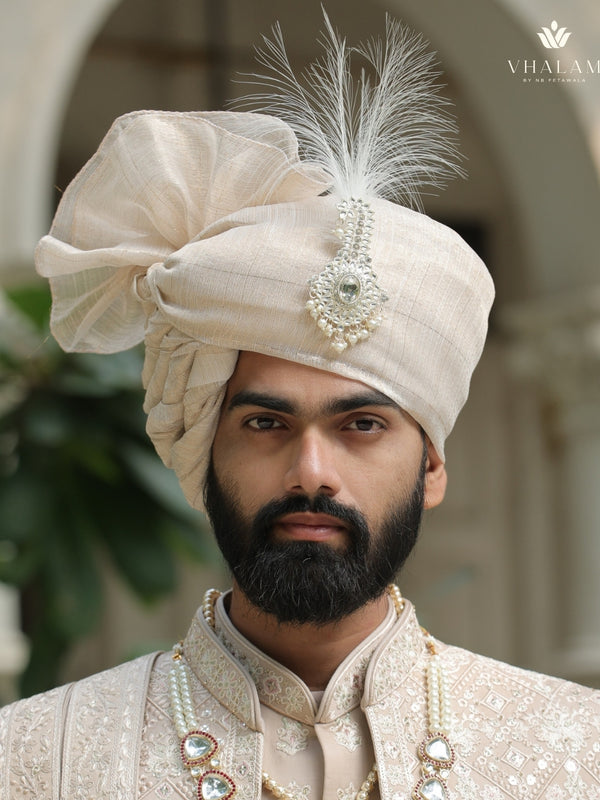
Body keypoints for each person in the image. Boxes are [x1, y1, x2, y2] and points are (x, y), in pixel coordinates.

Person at [1, 14, 599, 800]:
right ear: (201, 451)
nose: (310, 471)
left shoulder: (576, 753)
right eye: (265, 424)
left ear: (431, 466)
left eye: (361, 425)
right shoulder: (37, 760)